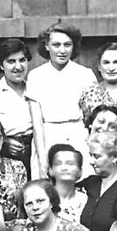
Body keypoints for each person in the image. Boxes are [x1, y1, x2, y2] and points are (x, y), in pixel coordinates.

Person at [27, 23, 96, 175]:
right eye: (56, 45)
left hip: (78, 137)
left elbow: (93, 118)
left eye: (67, 45)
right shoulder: (36, 76)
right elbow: (37, 124)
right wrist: (42, 160)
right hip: (47, 138)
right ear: (46, 46)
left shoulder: (85, 74)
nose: (62, 50)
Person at [0, 38, 41, 175]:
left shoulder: (35, 89)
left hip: (35, 152)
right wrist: (5, 142)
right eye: (11, 61)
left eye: (22, 60)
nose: (18, 66)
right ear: (1, 65)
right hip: (3, 153)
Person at [47, 143, 87, 223]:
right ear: (50, 170)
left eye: (70, 163)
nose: (64, 168)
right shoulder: (42, 199)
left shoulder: (86, 200)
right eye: (58, 163)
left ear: (80, 171)